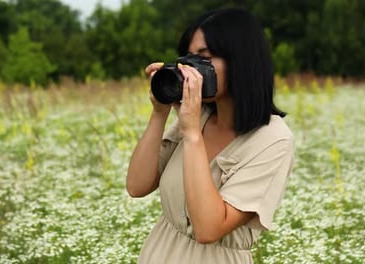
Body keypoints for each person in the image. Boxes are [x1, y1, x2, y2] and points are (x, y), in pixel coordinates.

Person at [126, 8, 294, 263]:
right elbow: (136, 186)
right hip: (159, 251)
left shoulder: (272, 139)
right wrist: (159, 112)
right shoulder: (201, 115)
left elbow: (208, 229)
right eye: (189, 58)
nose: (191, 70)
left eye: (204, 59)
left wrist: (192, 134)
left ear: (241, 61)